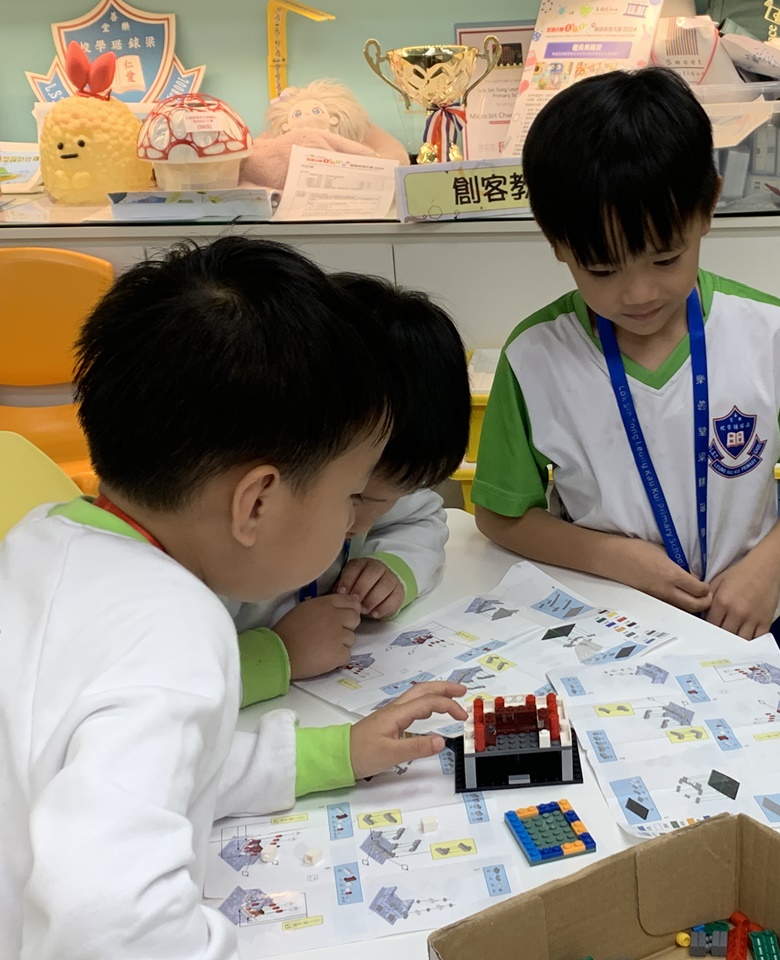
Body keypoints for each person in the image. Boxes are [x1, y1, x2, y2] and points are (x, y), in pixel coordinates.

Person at [0, 237, 467, 959]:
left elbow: (146, 769)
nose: (354, 524)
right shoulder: (175, 628)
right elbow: (106, 922)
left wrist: (336, 753)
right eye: (350, 497)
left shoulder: (44, 536)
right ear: (256, 504)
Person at [473, 68, 780, 656]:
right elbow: (499, 515)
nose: (639, 294)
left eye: (666, 259)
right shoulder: (533, 358)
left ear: (708, 207)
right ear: (555, 242)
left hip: (743, 623)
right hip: (604, 632)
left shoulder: (771, 334)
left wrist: (768, 564)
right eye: (602, 269)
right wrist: (612, 557)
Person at [229, 272, 470, 703]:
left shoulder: (365, 480)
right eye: (354, 496)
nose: (356, 524)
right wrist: (279, 654)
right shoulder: (213, 552)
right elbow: (159, 687)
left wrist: (393, 566)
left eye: (379, 500)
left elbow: (423, 517)